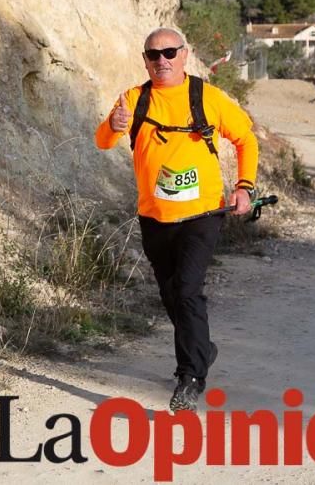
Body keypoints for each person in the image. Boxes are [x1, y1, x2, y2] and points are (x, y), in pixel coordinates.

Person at [95, 27, 259, 412]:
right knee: (172, 295)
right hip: (154, 217)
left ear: (185, 54)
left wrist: (244, 187)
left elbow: (246, 139)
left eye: (170, 52)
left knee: (186, 290)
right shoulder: (134, 100)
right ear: (145, 60)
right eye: (154, 54)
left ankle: (190, 377)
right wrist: (114, 126)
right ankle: (201, 347)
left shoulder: (208, 97)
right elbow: (103, 141)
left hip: (202, 215)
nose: (162, 60)